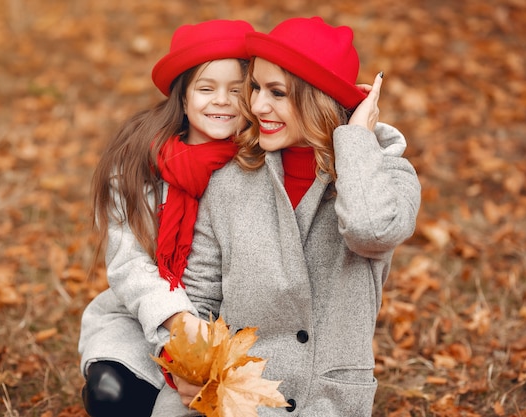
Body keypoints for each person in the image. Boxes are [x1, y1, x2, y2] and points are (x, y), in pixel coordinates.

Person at [150, 17, 421, 416]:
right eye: (256, 87)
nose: (257, 105)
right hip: (230, 395)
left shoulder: (385, 176)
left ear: (318, 97)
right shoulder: (230, 180)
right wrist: (187, 366)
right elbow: (201, 295)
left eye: (277, 92)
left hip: (324, 401)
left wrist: (357, 137)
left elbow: (370, 231)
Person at [77, 19, 255, 417]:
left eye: (236, 90)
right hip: (149, 317)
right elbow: (130, 266)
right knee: (112, 393)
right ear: (185, 96)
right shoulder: (139, 165)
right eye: (206, 88)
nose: (222, 101)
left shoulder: (260, 166)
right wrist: (176, 323)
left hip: (229, 326)